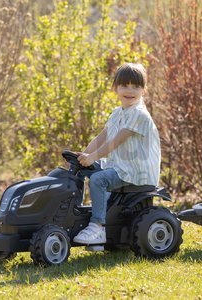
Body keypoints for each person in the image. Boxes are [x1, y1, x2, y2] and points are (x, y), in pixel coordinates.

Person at [73, 62, 161, 245]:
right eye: (124, 85)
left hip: (136, 171)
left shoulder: (139, 114)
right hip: (120, 166)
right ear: (116, 88)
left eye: (135, 86)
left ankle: (98, 227)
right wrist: (82, 156)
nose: (129, 90)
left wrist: (93, 157)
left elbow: (116, 141)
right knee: (82, 170)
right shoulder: (117, 113)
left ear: (143, 89)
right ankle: (75, 216)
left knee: (98, 179)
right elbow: (102, 137)